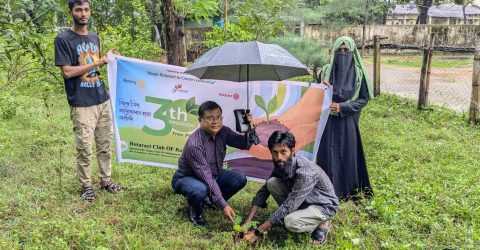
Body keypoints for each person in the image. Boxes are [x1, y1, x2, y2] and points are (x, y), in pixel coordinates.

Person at [54, 0, 121, 202]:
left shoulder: (94, 37)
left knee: (104, 144)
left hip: (101, 98)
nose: (83, 14)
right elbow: (67, 72)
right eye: (78, 10)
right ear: (71, 12)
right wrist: (99, 61)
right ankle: (86, 186)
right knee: (84, 147)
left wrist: (110, 61)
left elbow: (96, 68)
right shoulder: (63, 39)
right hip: (81, 102)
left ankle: (106, 180)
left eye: (86, 9)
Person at [243, 131, 339, 245]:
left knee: (290, 222)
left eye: (283, 152)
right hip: (302, 201)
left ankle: (323, 223)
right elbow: (263, 191)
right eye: (275, 152)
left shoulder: (305, 172)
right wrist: (247, 222)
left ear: (293, 151)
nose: (279, 157)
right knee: (271, 183)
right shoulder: (280, 164)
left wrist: (258, 232)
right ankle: (299, 216)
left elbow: (290, 204)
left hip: (322, 206)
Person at [172, 101, 254, 227]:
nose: (215, 121)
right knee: (201, 189)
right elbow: (207, 178)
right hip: (188, 178)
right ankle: (196, 212)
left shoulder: (224, 132)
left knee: (240, 178)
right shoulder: (195, 144)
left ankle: (210, 202)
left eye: (218, 117)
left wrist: (249, 127)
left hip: (214, 174)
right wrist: (224, 205)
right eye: (210, 118)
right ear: (200, 120)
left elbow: (245, 144)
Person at [316, 36, 374, 200]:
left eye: (346, 50)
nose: (342, 53)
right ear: (334, 51)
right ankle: (326, 190)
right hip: (328, 121)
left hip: (348, 120)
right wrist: (322, 88)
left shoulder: (359, 74)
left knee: (347, 155)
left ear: (352, 52)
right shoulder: (326, 71)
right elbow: (314, 95)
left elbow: (363, 99)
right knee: (327, 154)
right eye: (339, 50)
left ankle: (347, 191)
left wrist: (343, 107)